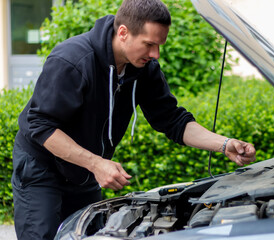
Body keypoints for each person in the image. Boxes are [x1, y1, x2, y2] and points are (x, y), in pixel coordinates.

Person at [11, 0, 256, 239]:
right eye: (149, 44)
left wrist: (225, 144)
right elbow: (41, 126)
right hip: (41, 168)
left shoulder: (144, 69)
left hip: (84, 172)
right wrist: (96, 164)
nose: (155, 54)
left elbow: (173, 120)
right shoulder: (73, 61)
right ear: (123, 32)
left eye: (160, 45)